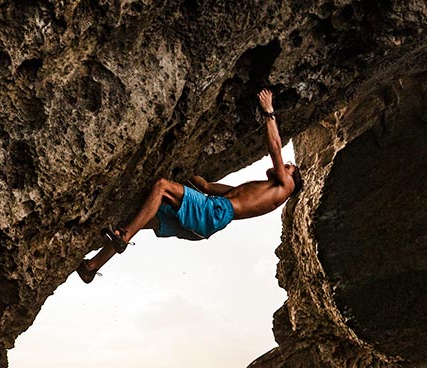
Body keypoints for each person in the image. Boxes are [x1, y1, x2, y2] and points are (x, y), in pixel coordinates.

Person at [75, 88, 301, 283]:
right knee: (140, 217)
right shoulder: (256, 192)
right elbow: (206, 187)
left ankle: (123, 237)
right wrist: (182, 160)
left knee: (162, 186)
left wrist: (268, 111)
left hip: (214, 212)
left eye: (289, 166)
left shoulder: (286, 186)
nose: (285, 166)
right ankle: (92, 267)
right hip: (208, 222)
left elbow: (274, 148)